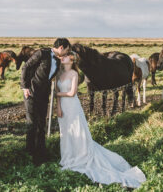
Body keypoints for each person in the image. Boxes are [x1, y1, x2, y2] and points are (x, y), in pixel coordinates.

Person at [56, 52, 146, 188]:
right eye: (61, 56)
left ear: (72, 59)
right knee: (66, 132)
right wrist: (58, 106)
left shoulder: (75, 74)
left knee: (78, 130)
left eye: (66, 56)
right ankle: (68, 155)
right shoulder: (59, 74)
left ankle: (80, 154)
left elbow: (72, 93)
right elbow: (58, 94)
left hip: (72, 106)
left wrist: (55, 93)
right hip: (63, 106)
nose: (62, 58)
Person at [20, 38, 71, 165]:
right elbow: (26, 67)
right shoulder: (42, 53)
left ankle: (41, 153)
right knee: (32, 124)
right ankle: (30, 153)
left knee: (42, 123)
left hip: (44, 95)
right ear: (61, 48)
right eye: (66, 50)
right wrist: (25, 87)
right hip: (31, 93)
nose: (66, 53)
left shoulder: (58, 60)